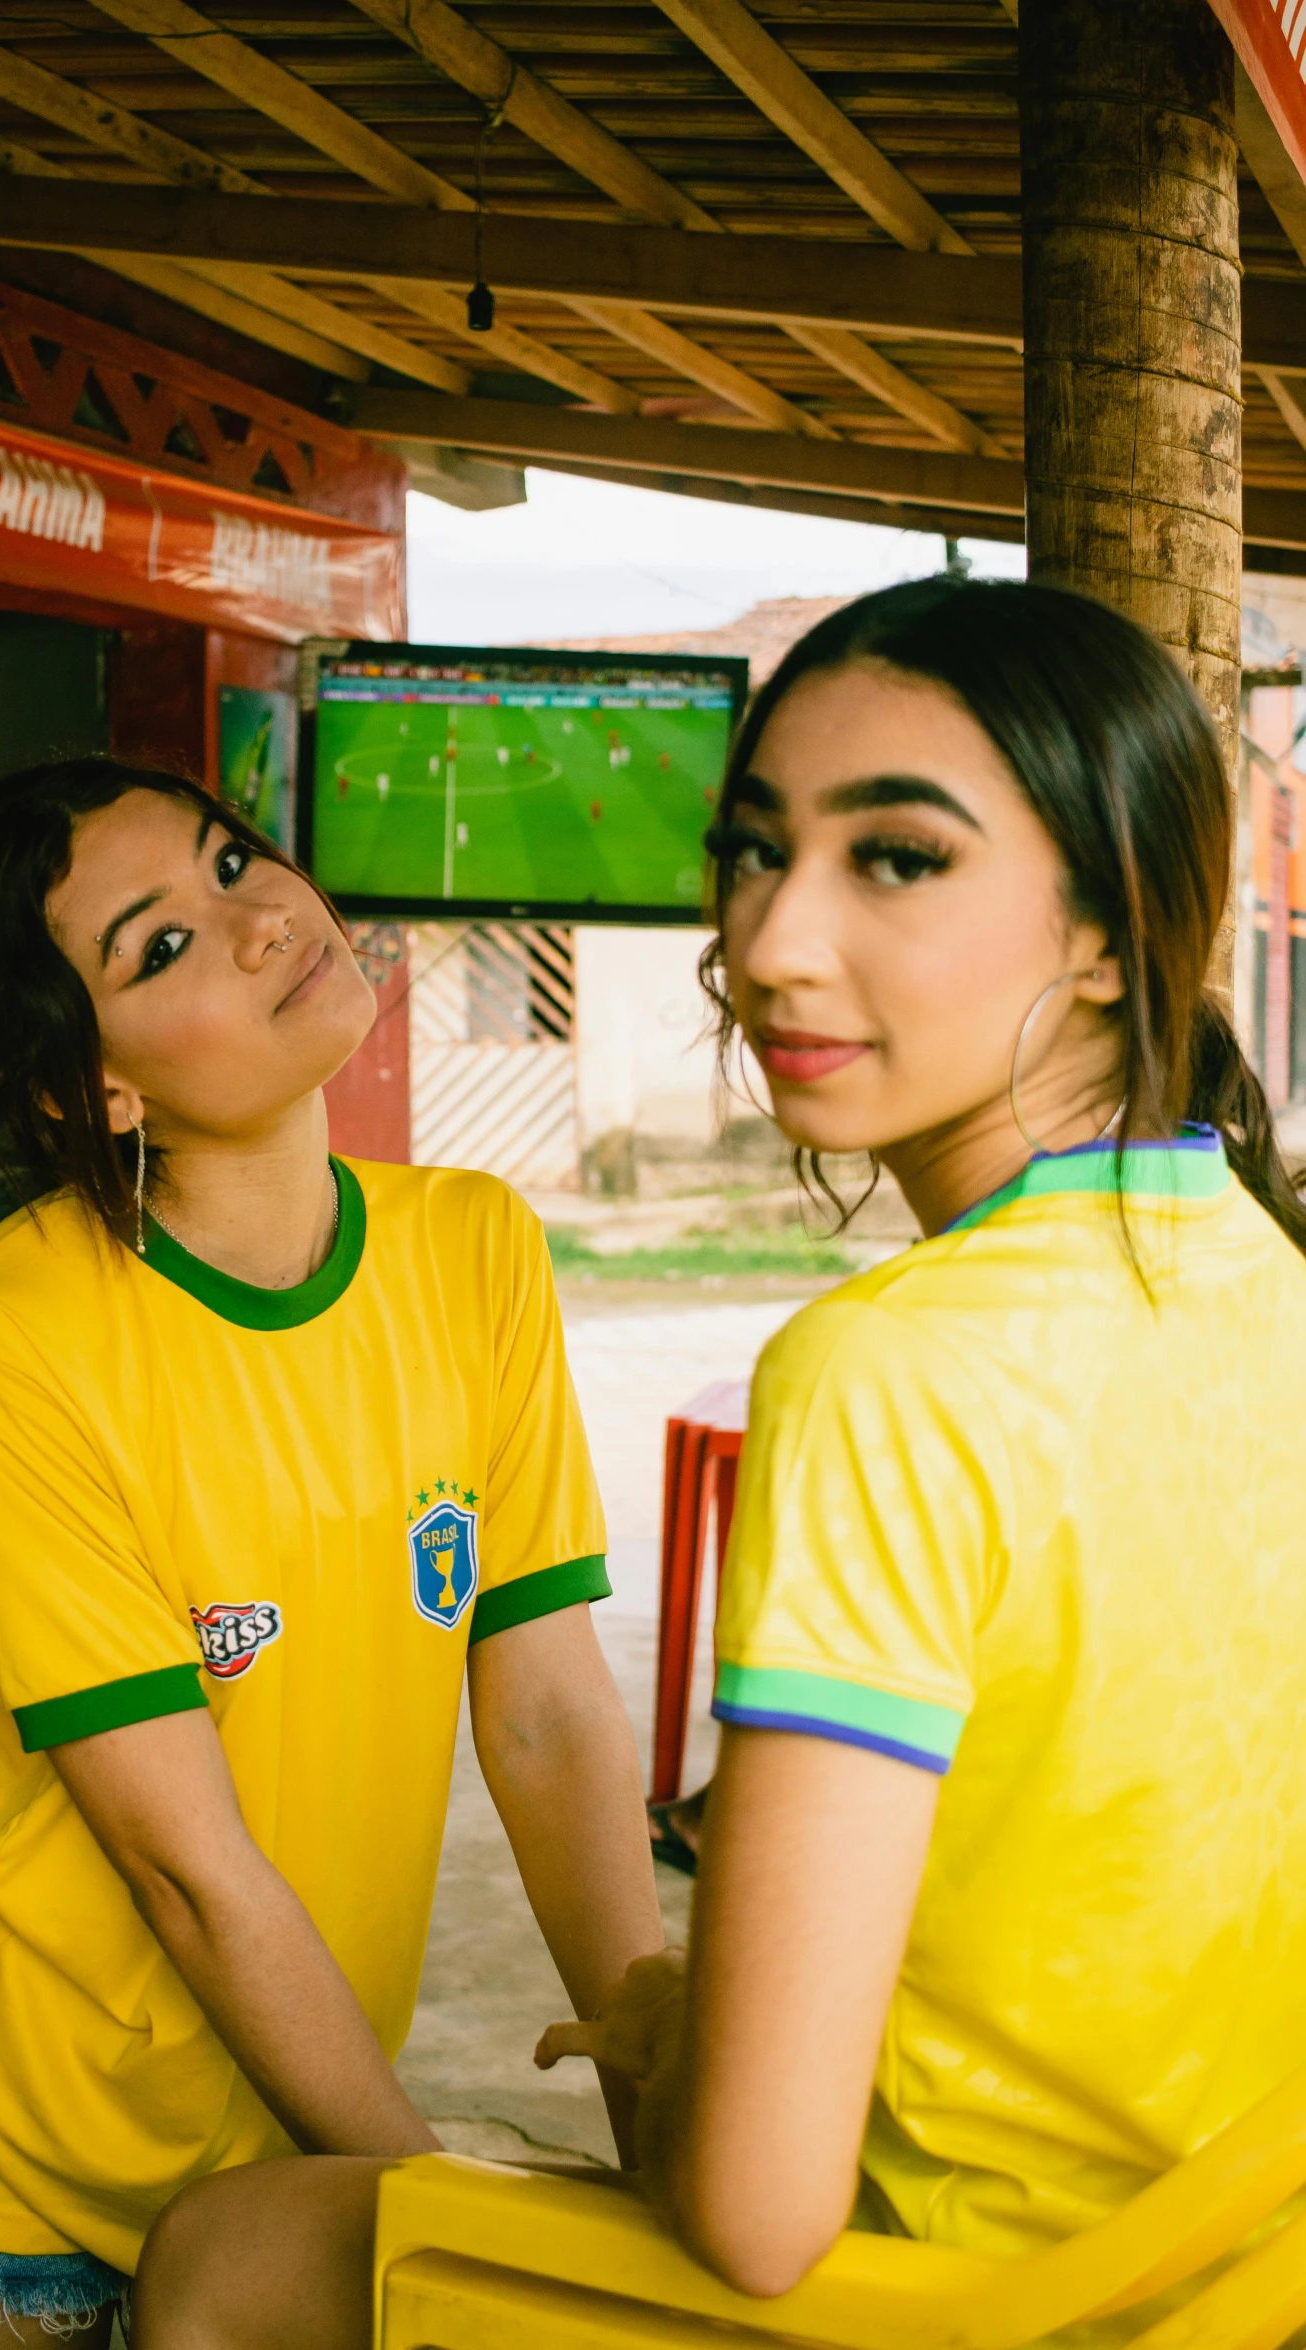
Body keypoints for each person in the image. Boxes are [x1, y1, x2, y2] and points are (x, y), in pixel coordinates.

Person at [0, 758, 663, 2346]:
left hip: (272, 2129)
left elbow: (543, 1711)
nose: (258, 922)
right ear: (89, 1086)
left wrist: (651, 2054)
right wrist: (426, 2230)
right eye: (157, 944)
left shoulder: (473, 1250)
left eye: (232, 861)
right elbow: (185, 1867)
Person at [535, 577, 1306, 2324]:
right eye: (751, 849)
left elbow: (757, 2214)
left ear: (1111, 929)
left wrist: (671, 2027)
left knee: (234, 2243)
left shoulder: (887, 1373)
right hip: (1238, 2281)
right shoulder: (1270, 1273)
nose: (771, 941)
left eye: (893, 857)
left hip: (992, 2301)